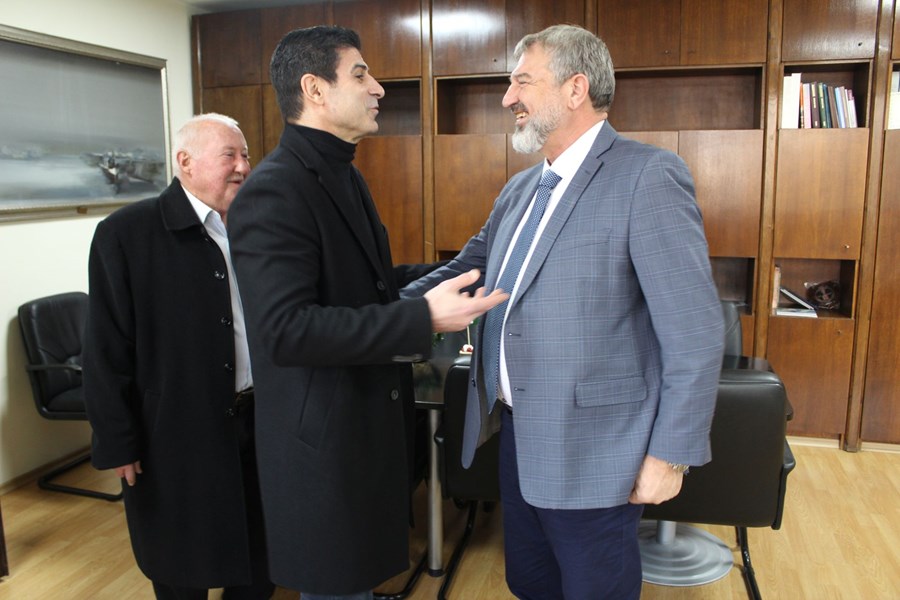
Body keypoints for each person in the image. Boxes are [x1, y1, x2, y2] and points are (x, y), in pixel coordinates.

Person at [402, 24, 726, 599]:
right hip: (518, 437)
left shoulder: (647, 176)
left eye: (522, 81)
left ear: (576, 88)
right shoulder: (521, 188)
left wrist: (670, 456)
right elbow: (467, 267)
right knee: (531, 583)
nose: (508, 97)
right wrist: (374, 314)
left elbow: (694, 332)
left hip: (600, 450)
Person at [225, 26, 506, 600]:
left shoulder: (343, 174)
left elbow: (369, 288)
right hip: (323, 452)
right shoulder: (274, 190)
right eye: (361, 75)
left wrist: (464, 269)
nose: (378, 88)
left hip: (360, 436)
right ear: (315, 89)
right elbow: (286, 331)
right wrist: (422, 318)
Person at [83, 114, 274, 600]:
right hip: (172, 434)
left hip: (260, 420)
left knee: (259, 559)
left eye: (246, 155)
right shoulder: (126, 234)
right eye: (229, 155)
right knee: (179, 562)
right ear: (185, 162)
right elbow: (105, 347)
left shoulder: (256, 225)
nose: (243, 166)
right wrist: (118, 442)